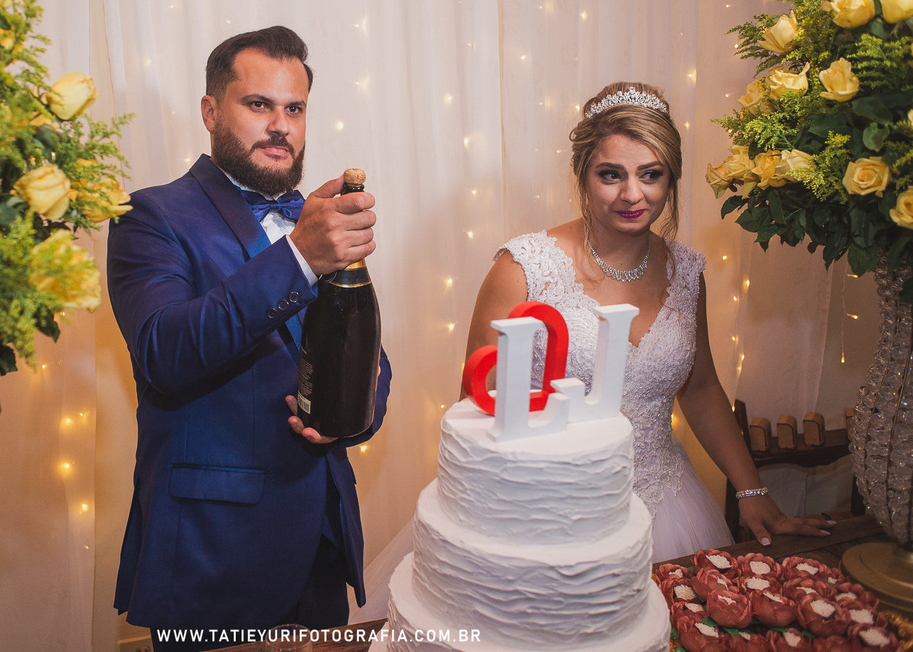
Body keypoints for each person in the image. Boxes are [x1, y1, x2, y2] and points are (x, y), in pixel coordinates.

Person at [351, 81, 830, 623]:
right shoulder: (522, 269)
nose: (632, 194)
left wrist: (751, 490)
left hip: (665, 505)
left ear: (671, 178)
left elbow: (700, 389)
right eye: (611, 174)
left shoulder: (686, 272)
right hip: (545, 517)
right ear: (582, 175)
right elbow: (478, 406)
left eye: (651, 174)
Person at [106, 26, 392, 652]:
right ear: (211, 111)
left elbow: (366, 351)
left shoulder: (316, 217)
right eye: (259, 104)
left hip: (321, 540)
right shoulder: (149, 215)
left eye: (295, 109)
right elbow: (164, 352)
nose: (280, 126)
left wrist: (351, 415)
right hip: (213, 552)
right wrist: (299, 257)